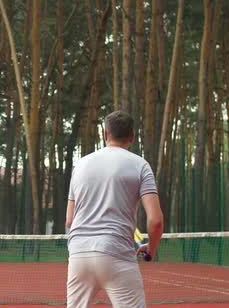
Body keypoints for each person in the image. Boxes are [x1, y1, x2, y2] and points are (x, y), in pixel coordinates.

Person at [66, 110, 164, 308]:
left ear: (105, 134)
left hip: (79, 255)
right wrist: (151, 250)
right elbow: (155, 221)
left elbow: (70, 220)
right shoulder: (140, 165)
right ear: (132, 137)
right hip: (117, 254)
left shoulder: (80, 165)